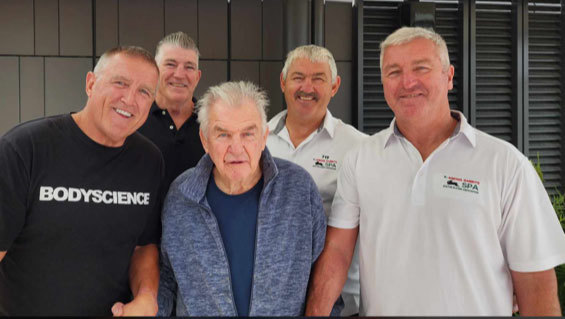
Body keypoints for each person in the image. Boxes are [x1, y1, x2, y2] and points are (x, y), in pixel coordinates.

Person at [305, 27, 565, 316]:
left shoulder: (505, 164)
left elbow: (536, 283)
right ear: (382, 82)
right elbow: (338, 253)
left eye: (421, 68)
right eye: (393, 72)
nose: (407, 82)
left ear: (449, 76)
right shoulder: (361, 159)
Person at [0, 46, 164, 316]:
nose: (130, 99)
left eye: (144, 92)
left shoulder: (148, 160)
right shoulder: (25, 149)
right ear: (90, 84)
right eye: (120, 83)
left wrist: (147, 296)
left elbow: (143, 244)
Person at [157, 81, 327, 316]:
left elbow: (323, 277)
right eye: (223, 134)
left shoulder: (298, 189)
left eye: (248, 133)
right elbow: (166, 279)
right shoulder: (181, 196)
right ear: (205, 140)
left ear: (264, 136)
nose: (236, 148)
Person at [267, 44, 366, 316]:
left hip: (340, 305)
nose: (307, 87)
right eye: (298, 77)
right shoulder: (255, 141)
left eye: (318, 79)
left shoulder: (359, 148)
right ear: (283, 82)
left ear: (334, 86)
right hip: (272, 304)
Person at [138, 31, 205, 194]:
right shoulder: (134, 119)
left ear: (197, 77)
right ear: (155, 70)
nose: (180, 74)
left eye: (189, 67)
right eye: (170, 64)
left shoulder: (213, 124)